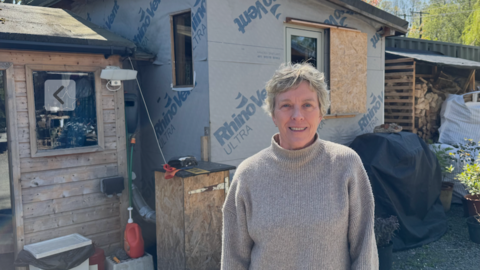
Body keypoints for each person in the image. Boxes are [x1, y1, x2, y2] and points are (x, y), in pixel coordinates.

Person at [221, 63, 378, 269]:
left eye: (307, 105)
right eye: (286, 105)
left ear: (321, 112)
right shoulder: (248, 175)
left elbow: (364, 251)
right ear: (273, 114)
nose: (297, 115)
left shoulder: (346, 165)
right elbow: (234, 259)